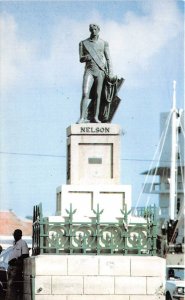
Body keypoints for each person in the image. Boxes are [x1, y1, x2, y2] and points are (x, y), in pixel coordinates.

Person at [78, 24, 113, 123]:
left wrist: (110, 72)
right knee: (85, 93)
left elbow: (108, 59)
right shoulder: (83, 43)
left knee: (98, 95)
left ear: (98, 30)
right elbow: (80, 58)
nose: (93, 31)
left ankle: (96, 117)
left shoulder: (104, 43)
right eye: (91, 29)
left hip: (100, 71)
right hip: (89, 70)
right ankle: (82, 117)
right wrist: (87, 57)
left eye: (95, 29)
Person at [6, 229, 29, 300]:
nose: (14, 235)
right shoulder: (14, 243)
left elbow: (25, 255)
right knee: (10, 285)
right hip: (10, 267)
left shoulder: (23, 243)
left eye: (16, 234)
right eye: (14, 234)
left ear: (20, 235)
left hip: (16, 268)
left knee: (11, 284)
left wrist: (16, 260)